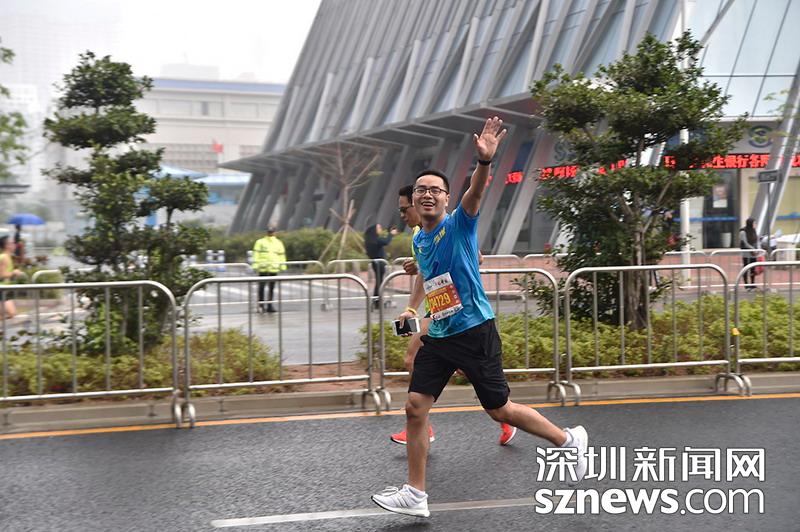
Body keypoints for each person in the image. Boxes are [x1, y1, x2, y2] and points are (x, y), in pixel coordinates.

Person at [371, 117, 588, 518]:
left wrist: (484, 162)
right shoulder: (420, 239)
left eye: (435, 190)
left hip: (474, 330)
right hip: (440, 333)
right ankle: (415, 494)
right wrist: (413, 308)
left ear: (447, 199)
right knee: (415, 407)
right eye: (421, 190)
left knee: (500, 409)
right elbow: (431, 279)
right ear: (413, 199)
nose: (427, 195)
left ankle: (569, 440)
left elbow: (476, 193)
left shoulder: (459, 222)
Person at [389, 184, 516, 447]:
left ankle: (505, 415)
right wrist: (411, 307)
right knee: (415, 360)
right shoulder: (418, 235)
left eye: (404, 209)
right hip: (438, 309)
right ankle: (421, 423)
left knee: (418, 360)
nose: (402, 215)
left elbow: (477, 257)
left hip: (462, 312)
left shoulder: (446, 226)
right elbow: (426, 275)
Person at [252, 226, 287, 313]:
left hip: (273, 268)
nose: (270, 233)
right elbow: (256, 254)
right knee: (261, 288)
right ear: (267, 232)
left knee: (271, 288)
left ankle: (270, 305)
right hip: (263, 268)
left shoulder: (278, 243)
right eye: (269, 232)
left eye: (272, 232)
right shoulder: (260, 242)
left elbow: (281, 255)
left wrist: (283, 266)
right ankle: (261, 305)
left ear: (275, 232)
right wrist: (255, 265)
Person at [364, 223, 397, 309]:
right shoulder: (376, 240)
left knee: (379, 282)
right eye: (379, 228)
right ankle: (376, 301)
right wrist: (391, 234)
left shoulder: (370, 240)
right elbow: (386, 241)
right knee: (379, 283)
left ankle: (377, 301)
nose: (380, 229)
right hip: (379, 264)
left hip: (376, 264)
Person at [0, 236, 23, 318]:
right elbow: (1, 275)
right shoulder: (4, 257)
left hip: (4, 289)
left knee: (10, 314)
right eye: (12, 243)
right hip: (1, 289)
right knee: (12, 313)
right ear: (7, 245)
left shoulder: (7, 257)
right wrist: (14, 273)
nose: (15, 245)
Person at [740, 218, 759, 289]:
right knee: (746, 267)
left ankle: (752, 283)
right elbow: (745, 243)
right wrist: (753, 249)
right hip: (746, 253)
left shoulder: (754, 231)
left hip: (753, 253)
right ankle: (746, 284)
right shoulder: (743, 232)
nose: (755, 225)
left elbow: (757, 241)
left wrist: (758, 249)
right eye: (754, 223)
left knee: (753, 268)